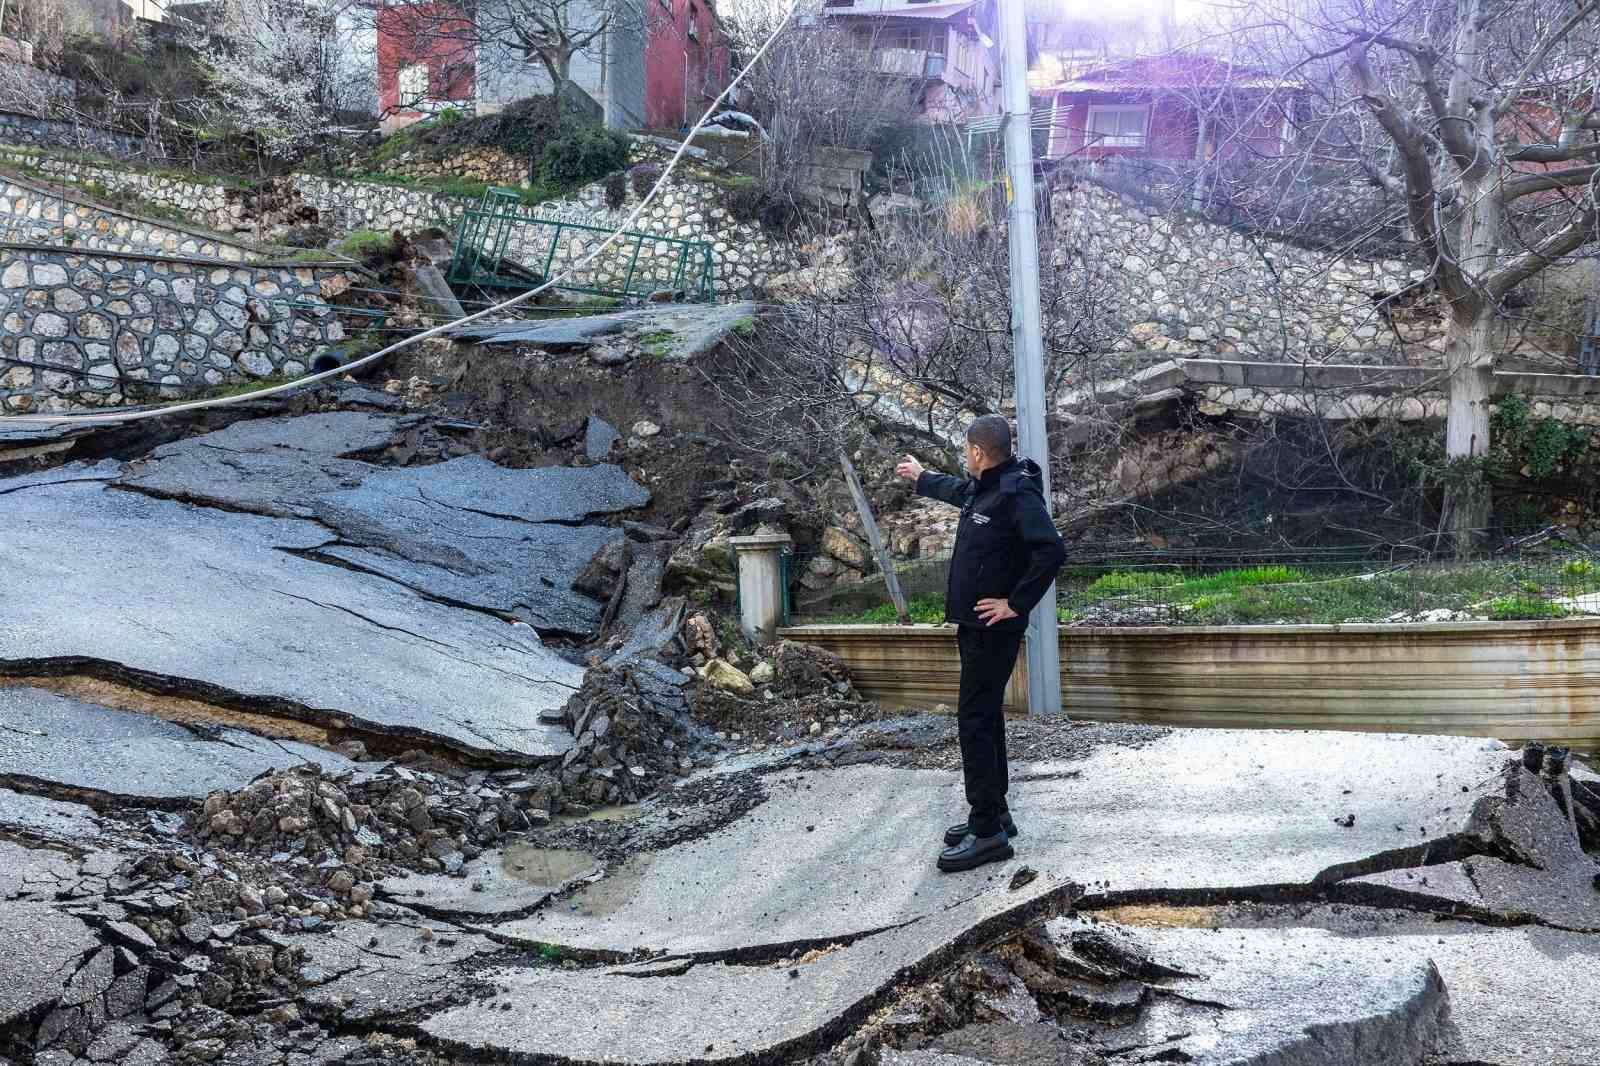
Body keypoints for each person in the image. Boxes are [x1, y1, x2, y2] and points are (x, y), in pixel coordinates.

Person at [895, 415, 1065, 872]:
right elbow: (957, 491)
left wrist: (1016, 602)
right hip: (975, 628)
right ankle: (997, 813)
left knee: (974, 722)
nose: (963, 455)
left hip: (993, 630)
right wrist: (922, 477)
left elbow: (1051, 549)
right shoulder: (989, 485)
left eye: (965, 448)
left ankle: (986, 831)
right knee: (985, 717)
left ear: (977, 451)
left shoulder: (1015, 492)